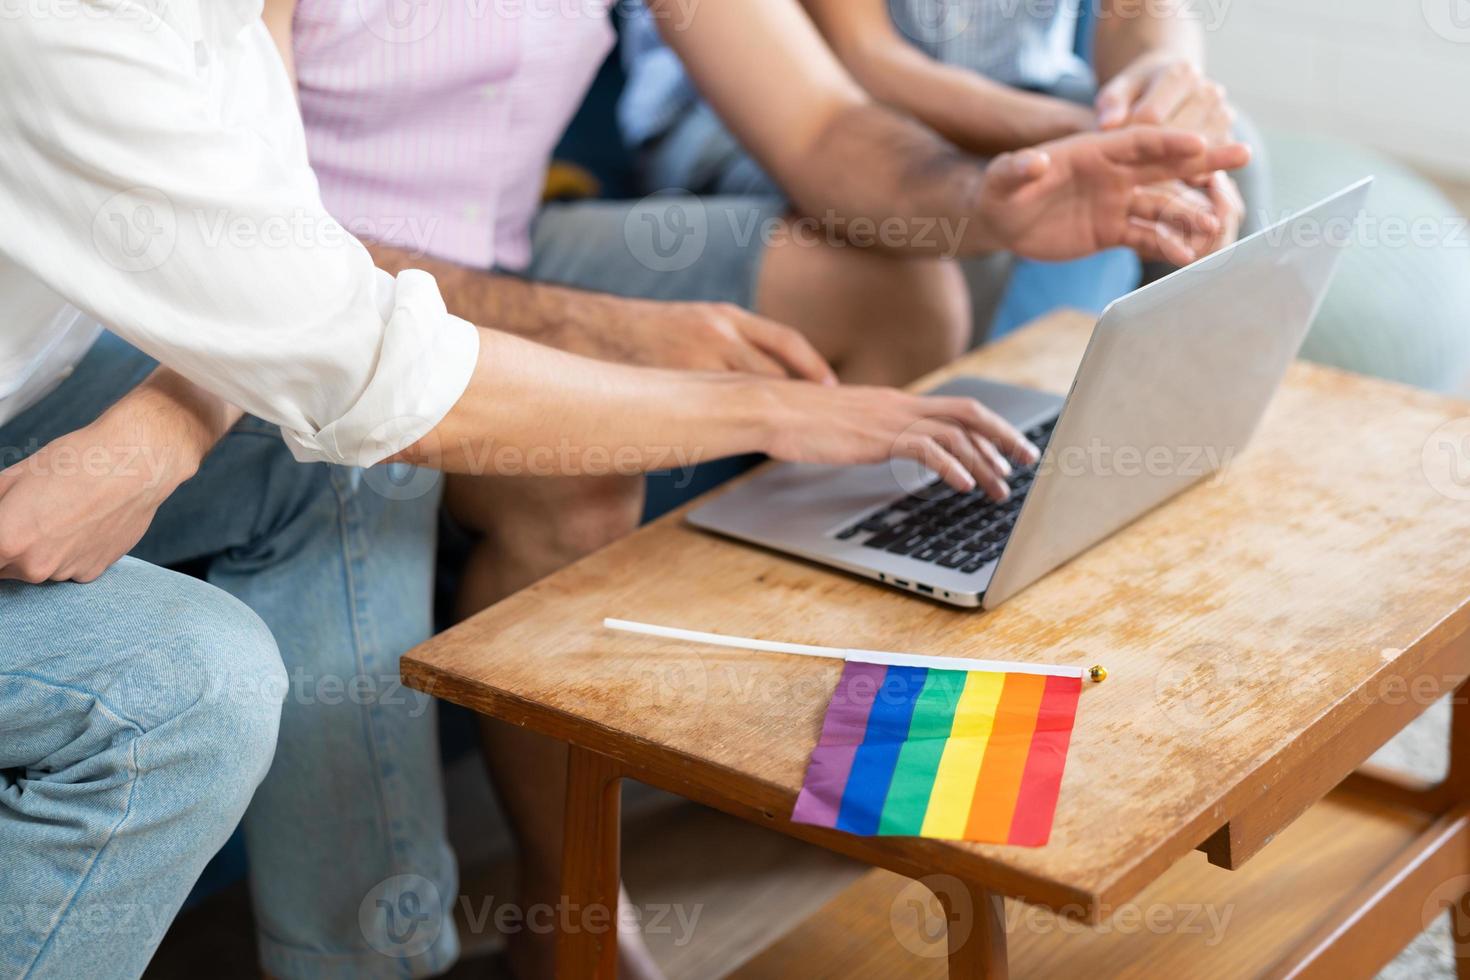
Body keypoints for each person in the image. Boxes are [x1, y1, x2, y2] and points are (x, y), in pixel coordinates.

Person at [257, 1, 1247, 977]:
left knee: (899, 291)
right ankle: (572, 923)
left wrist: (994, 202)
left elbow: (822, 124)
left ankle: (837, 768)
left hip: (507, 253)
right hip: (335, 289)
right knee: (571, 468)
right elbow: (267, 254)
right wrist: (591, 329)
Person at [621, 0, 1269, 337]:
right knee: (978, 207)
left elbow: (1142, 15)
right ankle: (961, 508)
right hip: (766, 112)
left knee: (1220, 155)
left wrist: (1156, 81)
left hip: (1019, 91)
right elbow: (865, 59)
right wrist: (1083, 137)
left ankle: (1177, 441)